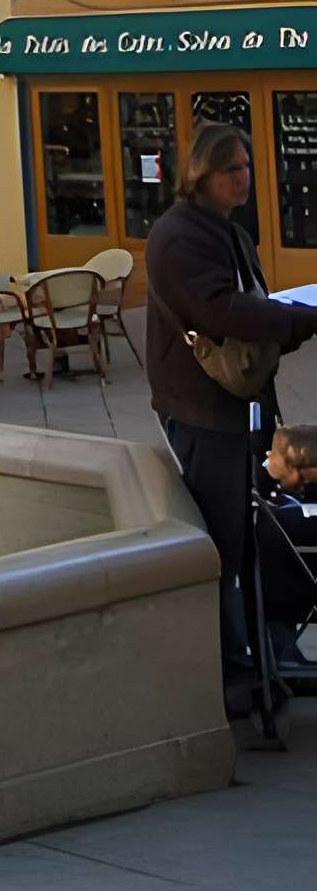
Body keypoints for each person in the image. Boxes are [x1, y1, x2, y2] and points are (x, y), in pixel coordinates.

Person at [145, 122, 317, 713]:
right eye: (231, 168)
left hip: (241, 407)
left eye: (246, 166)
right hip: (203, 413)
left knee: (260, 534)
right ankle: (235, 670)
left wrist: (291, 318)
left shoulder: (227, 231)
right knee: (225, 541)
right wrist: (301, 317)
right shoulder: (177, 237)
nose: (243, 177)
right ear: (201, 174)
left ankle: (265, 651)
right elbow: (223, 312)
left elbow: (255, 314)